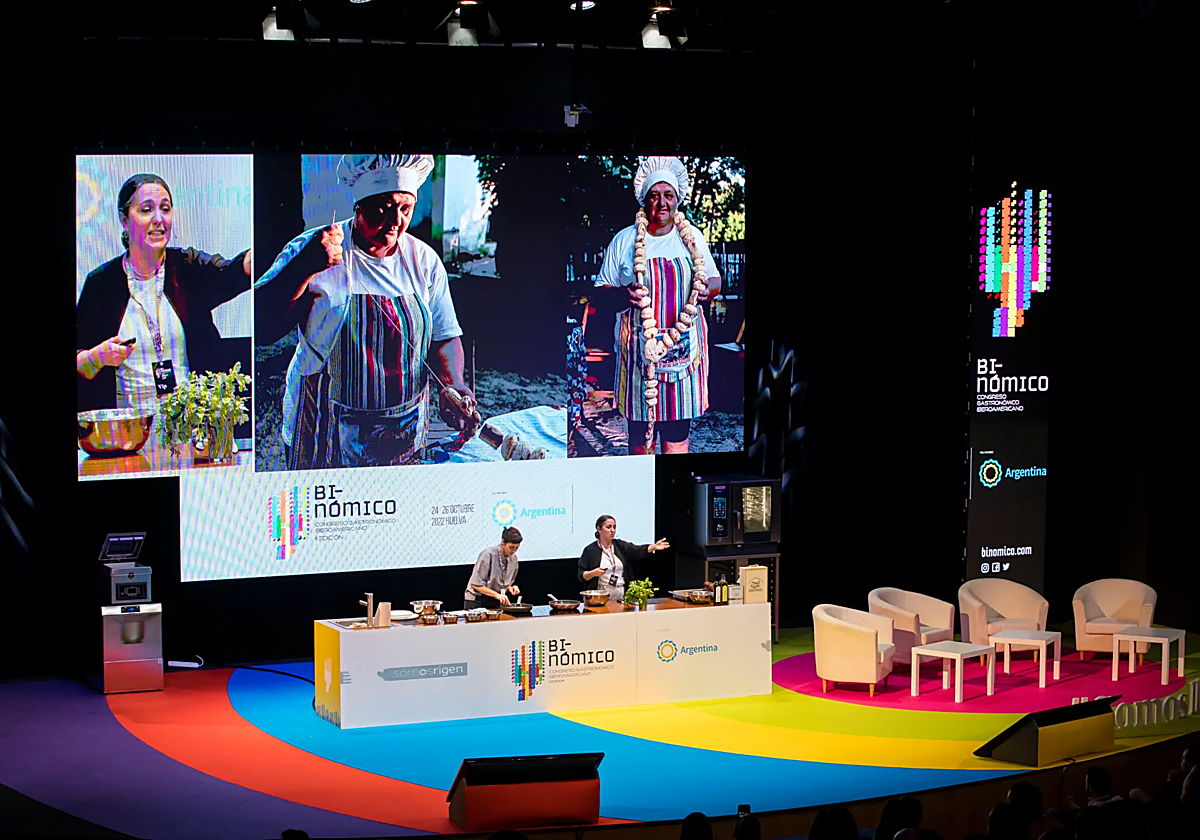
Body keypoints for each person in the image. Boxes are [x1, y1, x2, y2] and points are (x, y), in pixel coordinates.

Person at [254, 154, 476, 470]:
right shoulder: (313, 249)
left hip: (404, 428)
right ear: (359, 206)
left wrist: (453, 382)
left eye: (405, 209)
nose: (396, 219)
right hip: (325, 425)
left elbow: (444, 335)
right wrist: (304, 267)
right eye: (383, 207)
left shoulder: (424, 261)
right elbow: (264, 327)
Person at [77, 173, 252, 411]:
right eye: (146, 210)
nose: (159, 219)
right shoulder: (101, 284)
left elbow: (232, 273)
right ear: (125, 220)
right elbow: (80, 360)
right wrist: (98, 356)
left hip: (192, 426)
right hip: (130, 432)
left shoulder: (187, 267)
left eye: (166, 209)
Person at [596, 156, 721, 455]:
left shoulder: (692, 240)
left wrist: (707, 291)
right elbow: (600, 293)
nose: (662, 203)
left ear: (678, 199)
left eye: (668, 195)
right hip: (640, 355)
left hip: (684, 353)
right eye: (655, 195)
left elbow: (716, 282)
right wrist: (622, 295)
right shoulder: (625, 241)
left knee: (677, 435)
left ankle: (672, 492)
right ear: (645, 200)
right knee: (639, 439)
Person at [578, 515, 669, 603]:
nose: (612, 530)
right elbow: (581, 575)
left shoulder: (619, 545)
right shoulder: (590, 550)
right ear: (599, 529)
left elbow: (637, 550)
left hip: (621, 595)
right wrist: (593, 573)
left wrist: (653, 547)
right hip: (601, 597)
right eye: (609, 527)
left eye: (614, 527)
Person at [464, 527, 523, 609]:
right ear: (503, 542)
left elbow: (505, 582)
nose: (514, 551)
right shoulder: (488, 555)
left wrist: (510, 587)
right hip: (477, 600)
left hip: (495, 600)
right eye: (511, 547)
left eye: (517, 547)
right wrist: (496, 595)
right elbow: (475, 584)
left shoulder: (514, 559)